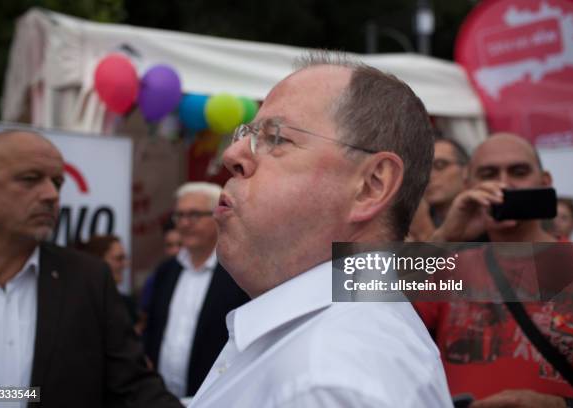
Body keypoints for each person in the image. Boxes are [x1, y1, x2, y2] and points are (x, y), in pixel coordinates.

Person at [188, 53, 452, 407]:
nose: (233, 153)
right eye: (247, 134)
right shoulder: (324, 355)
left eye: (276, 138)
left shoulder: (335, 377)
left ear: (371, 185)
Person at [0, 130, 181, 408]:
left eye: (57, 183)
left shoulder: (88, 279)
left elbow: (132, 386)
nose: (51, 195)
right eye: (30, 179)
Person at [418, 133, 573, 407]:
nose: (504, 184)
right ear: (468, 185)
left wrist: (559, 405)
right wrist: (445, 237)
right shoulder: (451, 266)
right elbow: (351, 291)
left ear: (545, 183)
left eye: (519, 172)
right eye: (488, 174)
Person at [144, 182, 249, 398]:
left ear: (217, 216)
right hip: (164, 398)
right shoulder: (167, 270)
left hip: (216, 396)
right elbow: (153, 328)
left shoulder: (237, 272)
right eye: (179, 216)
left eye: (193, 215)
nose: (184, 223)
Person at [408, 136, 469, 241]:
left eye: (440, 165)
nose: (429, 176)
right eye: (423, 169)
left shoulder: (482, 217)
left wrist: (424, 232)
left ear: (466, 171)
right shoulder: (412, 223)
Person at [79, 234, 139, 328]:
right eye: (119, 258)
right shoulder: (78, 304)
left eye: (125, 258)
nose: (126, 264)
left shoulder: (128, 304)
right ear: (97, 261)